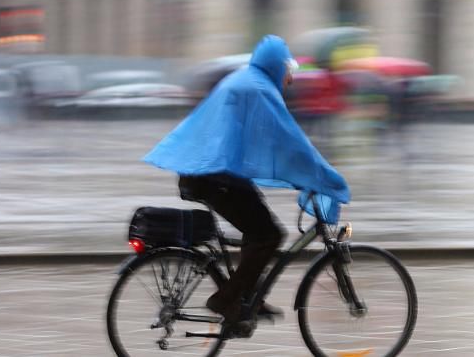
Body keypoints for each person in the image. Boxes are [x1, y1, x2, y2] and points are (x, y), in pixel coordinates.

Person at [143, 35, 350, 329]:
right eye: (289, 69)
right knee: (269, 235)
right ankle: (227, 299)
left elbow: (267, 141)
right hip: (214, 176)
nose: (291, 78)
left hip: (210, 172)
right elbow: (290, 142)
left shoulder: (248, 80)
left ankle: (247, 296)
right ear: (277, 65)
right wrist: (326, 177)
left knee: (258, 225)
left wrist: (303, 173)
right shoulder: (259, 88)